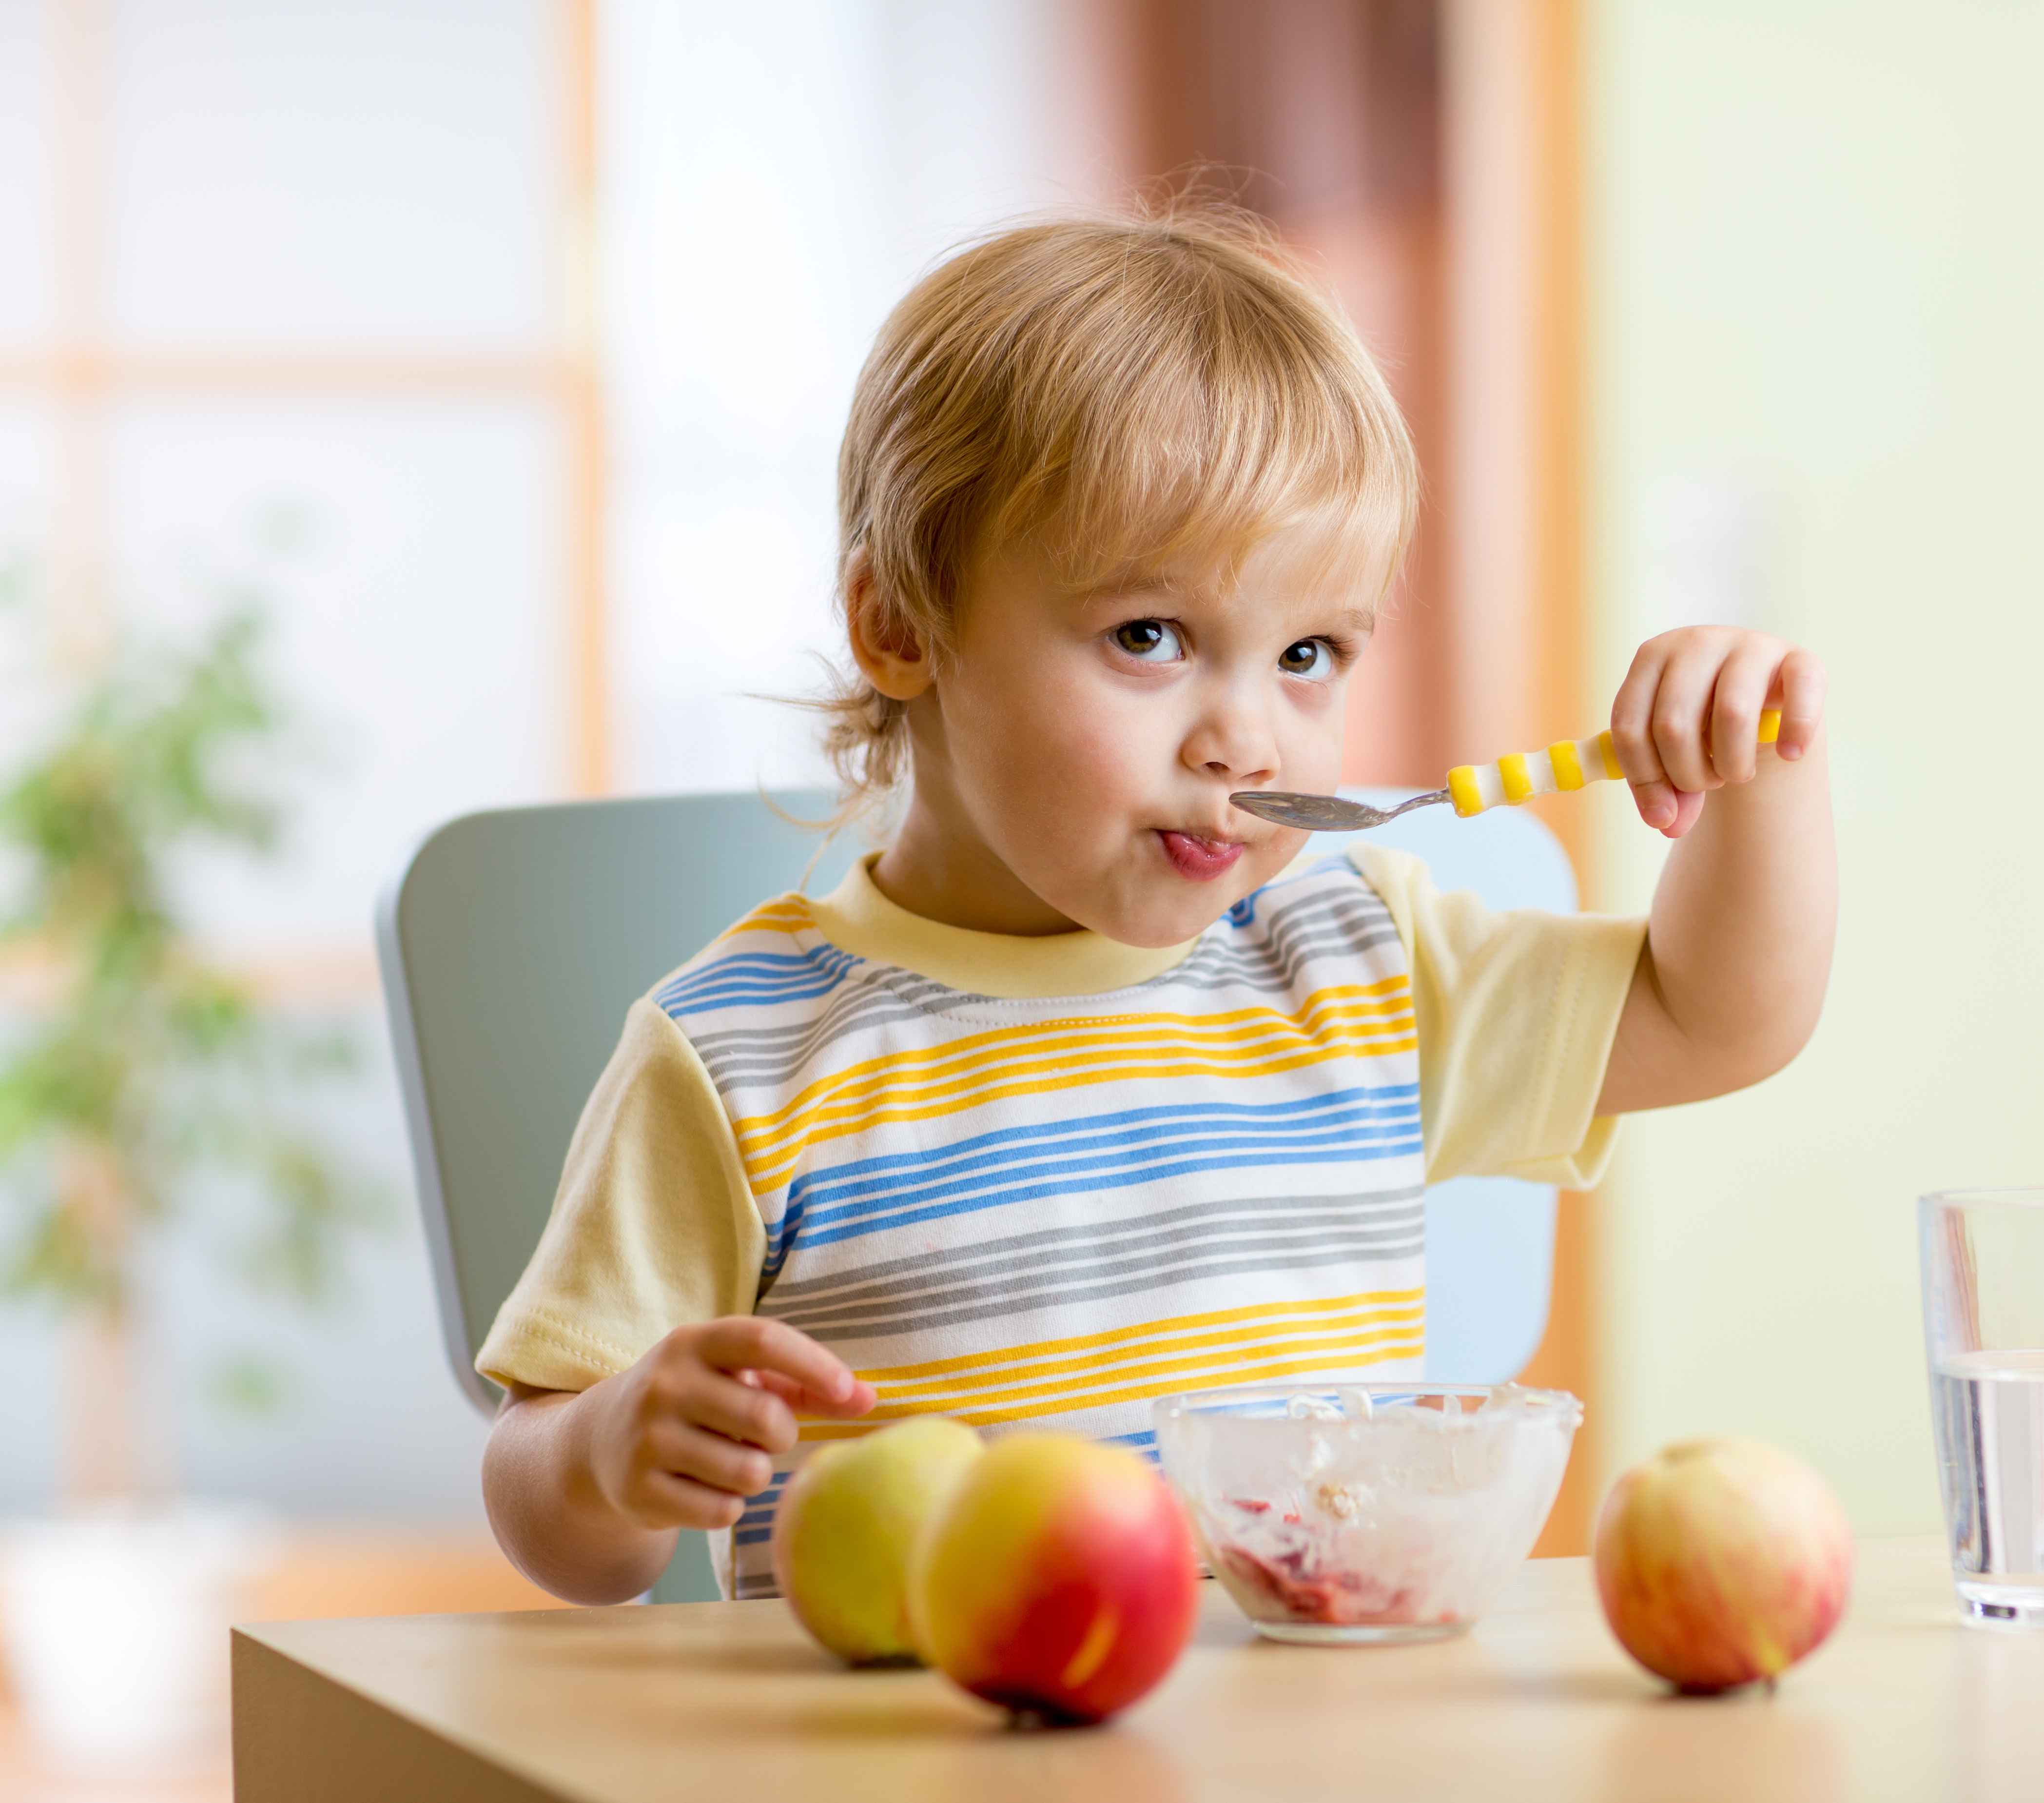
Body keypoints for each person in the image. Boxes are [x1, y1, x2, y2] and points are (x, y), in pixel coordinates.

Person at [476, 208, 1837, 1604]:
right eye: (1150, 637)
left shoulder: (1355, 959)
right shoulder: (738, 1056)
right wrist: (601, 1455)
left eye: (1307, 652)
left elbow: (1717, 1015)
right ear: (903, 626)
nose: (1245, 738)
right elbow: (548, 1503)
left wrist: (1762, 766)